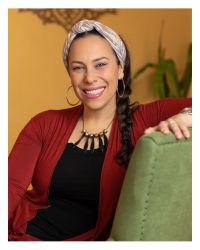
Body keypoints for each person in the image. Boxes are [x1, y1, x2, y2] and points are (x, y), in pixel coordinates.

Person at [8, 19, 192, 241]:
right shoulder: (44, 123)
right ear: (70, 74)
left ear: (120, 70)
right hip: (20, 235)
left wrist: (187, 115)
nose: (89, 78)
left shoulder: (145, 117)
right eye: (78, 67)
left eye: (100, 64)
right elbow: (9, 188)